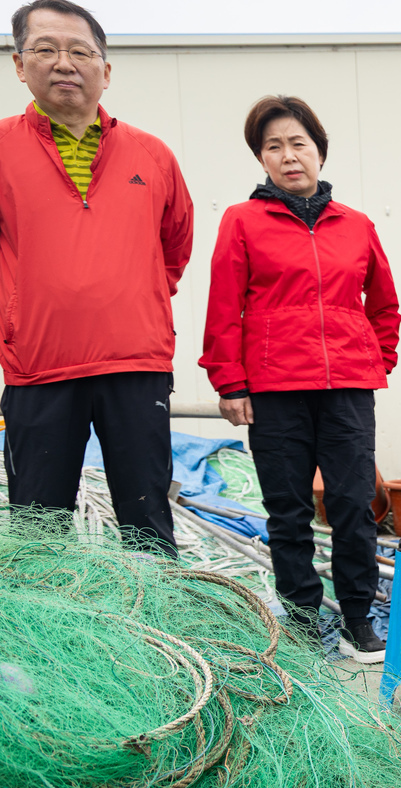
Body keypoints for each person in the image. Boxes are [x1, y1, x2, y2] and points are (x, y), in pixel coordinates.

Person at [199, 95, 401, 662]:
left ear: (319, 151)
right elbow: (223, 308)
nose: (289, 156)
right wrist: (229, 382)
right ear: (261, 159)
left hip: (347, 392)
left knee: (354, 506)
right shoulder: (241, 221)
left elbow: (385, 306)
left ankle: (359, 617)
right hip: (274, 390)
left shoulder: (356, 226)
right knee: (287, 511)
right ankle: (305, 618)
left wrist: (374, 359)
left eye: (298, 144)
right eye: (274, 147)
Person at [1, 0, 192, 556]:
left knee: (148, 525)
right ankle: (44, 642)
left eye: (81, 51)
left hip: (136, 363)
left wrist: (130, 298)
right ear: (19, 65)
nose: (65, 63)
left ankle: (157, 638)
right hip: (38, 368)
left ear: (105, 71)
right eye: (46, 49)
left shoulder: (152, 155)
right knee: (39, 535)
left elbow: (174, 247)